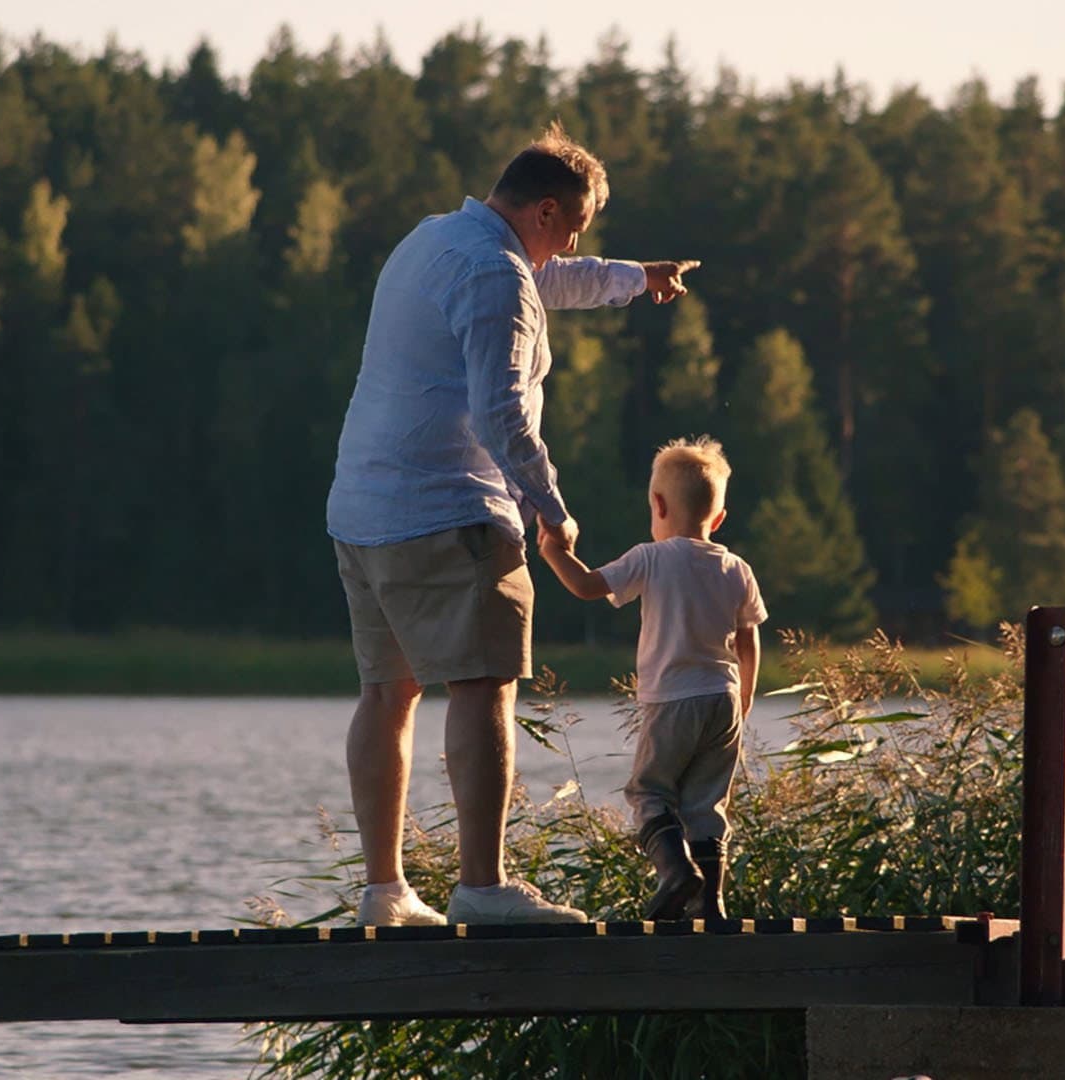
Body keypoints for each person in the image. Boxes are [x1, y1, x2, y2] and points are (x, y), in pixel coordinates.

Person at [326, 123, 700, 927]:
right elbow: (500, 413)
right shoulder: (497, 276)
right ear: (543, 210)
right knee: (486, 684)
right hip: (448, 511)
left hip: (362, 511)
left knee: (386, 693)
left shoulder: (437, 239)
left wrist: (637, 278)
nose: (572, 245)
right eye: (574, 227)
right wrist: (551, 512)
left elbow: (551, 281)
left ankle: (384, 892)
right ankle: (483, 888)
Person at [535, 436, 766, 920]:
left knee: (649, 792)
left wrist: (554, 551)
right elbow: (748, 640)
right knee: (706, 803)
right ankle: (711, 905)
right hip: (724, 700)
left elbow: (587, 586)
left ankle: (677, 873)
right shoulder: (737, 568)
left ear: (657, 504)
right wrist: (744, 697)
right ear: (718, 518)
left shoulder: (651, 557)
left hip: (671, 700)